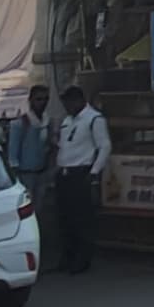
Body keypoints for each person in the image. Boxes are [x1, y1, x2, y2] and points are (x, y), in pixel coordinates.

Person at [50, 85, 110, 275]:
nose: (66, 106)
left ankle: (82, 259)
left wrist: (94, 173)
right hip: (65, 172)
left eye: (69, 102)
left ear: (78, 101)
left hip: (81, 172)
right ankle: (67, 257)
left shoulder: (94, 119)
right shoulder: (68, 120)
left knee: (82, 219)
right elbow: (66, 145)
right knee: (64, 218)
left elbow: (105, 146)